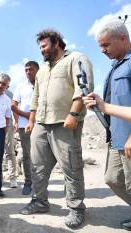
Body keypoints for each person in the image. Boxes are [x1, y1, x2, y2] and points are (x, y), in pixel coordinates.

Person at [21, 29, 94, 229]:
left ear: (56, 43)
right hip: (41, 124)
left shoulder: (76, 59)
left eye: (44, 46)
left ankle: (76, 208)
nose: (42, 50)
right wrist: (31, 121)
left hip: (65, 123)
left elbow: (84, 88)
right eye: (40, 47)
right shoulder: (43, 70)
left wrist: (73, 115)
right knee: (37, 167)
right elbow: (35, 97)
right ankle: (40, 201)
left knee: (71, 167)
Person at [85, 20, 131, 231]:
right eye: (100, 47)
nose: (102, 51)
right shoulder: (115, 66)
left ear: (123, 39)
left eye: (106, 45)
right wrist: (98, 104)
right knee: (112, 179)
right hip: (116, 137)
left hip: (129, 138)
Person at [12, 61, 39, 195]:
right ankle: (28, 183)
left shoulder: (43, 85)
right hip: (25, 126)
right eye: (26, 70)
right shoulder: (21, 87)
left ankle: (40, 184)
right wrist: (26, 116)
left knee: (43, 156)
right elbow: (13, 106)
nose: (28, 72)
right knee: (27, 155)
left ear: (37, 70)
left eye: (31, 69)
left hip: (42, 124)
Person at [3, 80, 18, 188]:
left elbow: (14, 109)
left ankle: (13, 178)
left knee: (10, 152)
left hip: (8, 126)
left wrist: (16, 122)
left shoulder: (10, 94)